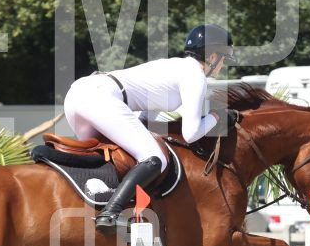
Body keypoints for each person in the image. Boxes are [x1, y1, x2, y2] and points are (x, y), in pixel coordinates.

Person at [63, 24, 235, 233]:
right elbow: (191, 134)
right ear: (212, 56)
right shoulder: (195, 75)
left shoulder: (173, 66)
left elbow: (144, 118)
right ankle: (110, 213)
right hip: (99, 98)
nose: (223, 64)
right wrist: (217, 117)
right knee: (155, 158)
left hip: (79, 94)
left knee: (106, 159)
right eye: (223, 58)